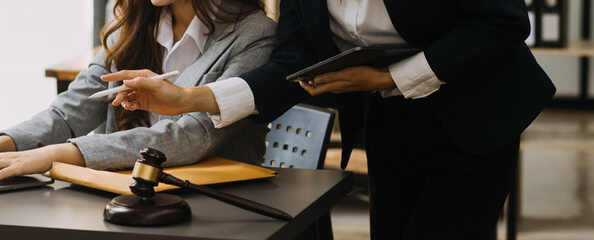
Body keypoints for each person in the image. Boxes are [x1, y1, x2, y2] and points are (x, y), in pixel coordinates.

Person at [102, 0, 556, 239]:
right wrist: (188, 99)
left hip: (476, 113)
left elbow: (504, 21)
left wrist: (389, 76)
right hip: (388, 118)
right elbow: (292, 64)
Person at [0, 0, 275, 186]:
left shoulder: (255, 34)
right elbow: (70, 111)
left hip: (215, 208)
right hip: (128, 197)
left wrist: (54, 155)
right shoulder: (134, 24)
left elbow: (190, 137)